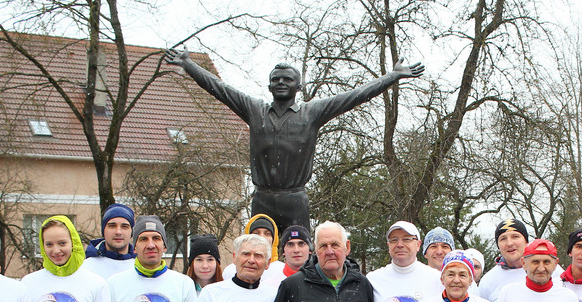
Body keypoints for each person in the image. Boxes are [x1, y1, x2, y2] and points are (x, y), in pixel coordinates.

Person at [166, 49, 423, 233]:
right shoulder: (254, 110)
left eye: (287, 79)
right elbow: (219, 88)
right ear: (268, 86)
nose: (280, 83)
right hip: (262, 198)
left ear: (298, 87)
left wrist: (392, 77)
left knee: (299, 255)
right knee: (259, 254)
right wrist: (189, 65)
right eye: (275, 79)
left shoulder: (311, 113)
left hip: (295, 199)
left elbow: (354, 96)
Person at [478, 219, 560, 302]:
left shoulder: (550, 270)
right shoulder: (488, 281)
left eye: (515, 236)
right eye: (503, 239)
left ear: (526, 241)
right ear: (498, 245)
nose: (509, 243)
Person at [82, 203, 136, 280]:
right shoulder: (86, 268)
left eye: (124, 227)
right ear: (104, 230)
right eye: (112, 226)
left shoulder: (141, 268)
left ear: (131, 231)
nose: (118, 232)